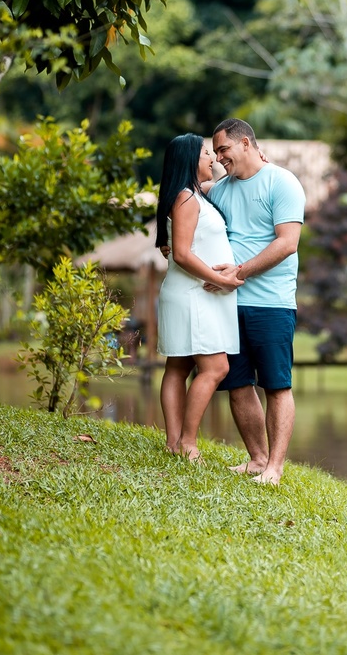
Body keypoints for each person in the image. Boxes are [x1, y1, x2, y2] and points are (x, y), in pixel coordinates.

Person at [206, 118, 305, 485]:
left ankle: (275, 469)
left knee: (277, 384)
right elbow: (194, 197)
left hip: (273, 304)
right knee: (238, 383)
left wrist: (239, 273)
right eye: (215, 153)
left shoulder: (283, 182)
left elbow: (287, 243)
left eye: (224, 150)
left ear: (246, 143)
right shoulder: (219, 190)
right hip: (228, 304)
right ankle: (257, 459)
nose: (219, 158)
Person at [154, 133, 243, 462]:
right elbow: (182, 253)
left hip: (192, 292)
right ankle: (187, 443)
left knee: (178, 365)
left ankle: (174, 443)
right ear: (190, 160)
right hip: (193, 294)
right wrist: (220, 278)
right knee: (215, 368)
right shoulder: (187, 198)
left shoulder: (195, 196)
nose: (213, 158)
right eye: (206, 152)